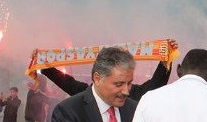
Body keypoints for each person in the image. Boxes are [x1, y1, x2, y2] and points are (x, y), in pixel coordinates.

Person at [41, 40, 179, 99]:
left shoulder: (131, 93)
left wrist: (165, 60)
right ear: (99, 78)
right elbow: (68, 83)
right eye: (117, 83)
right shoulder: (91, 94)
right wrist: (45, 67)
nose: (124, 91)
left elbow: (155, 85)